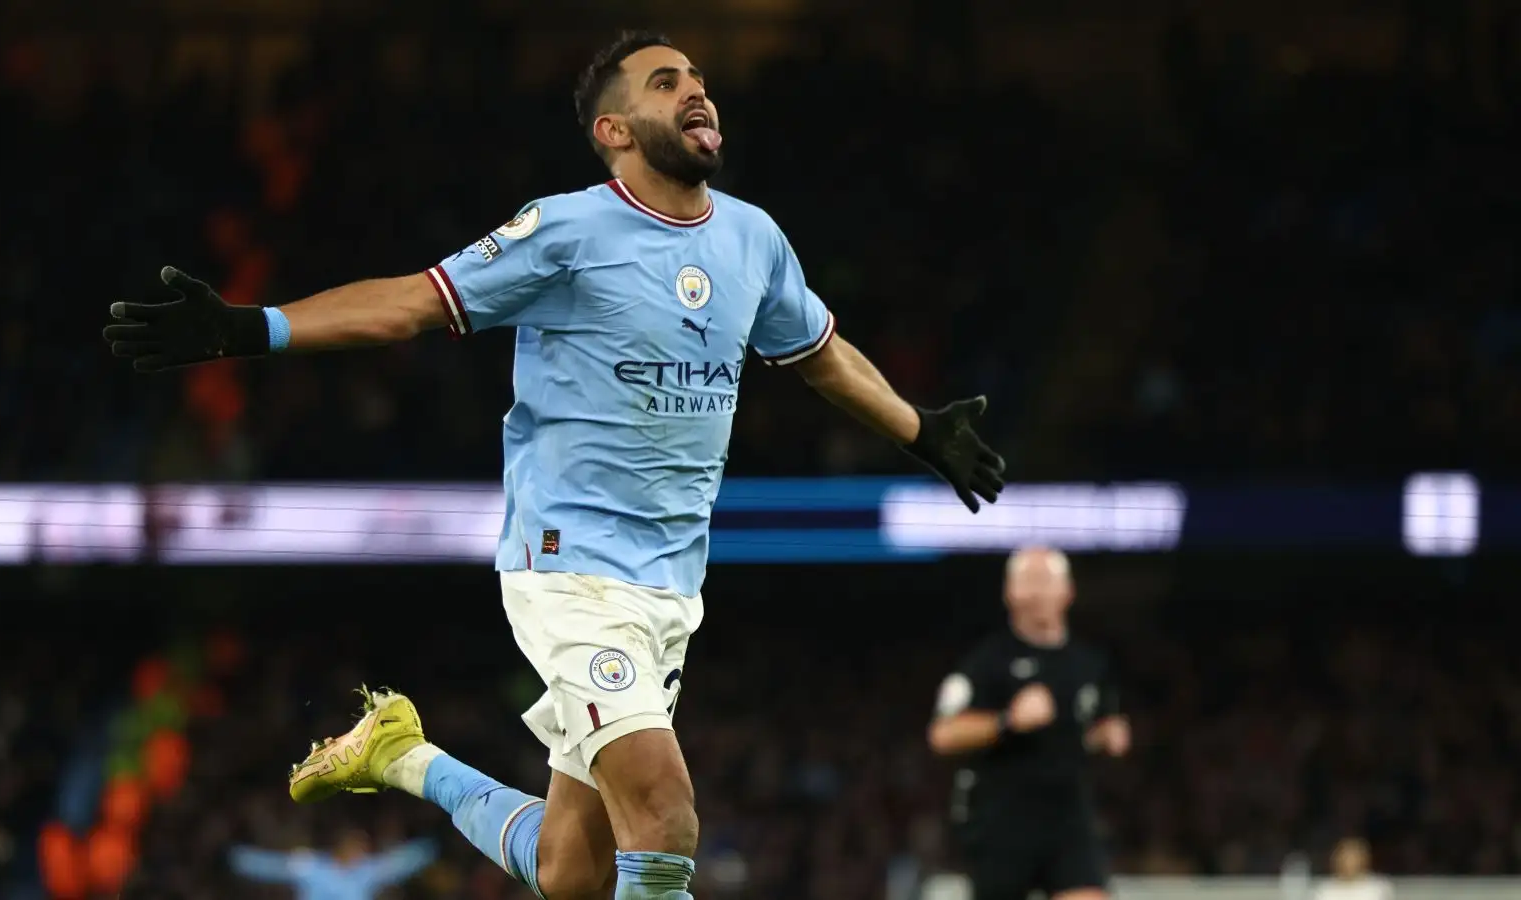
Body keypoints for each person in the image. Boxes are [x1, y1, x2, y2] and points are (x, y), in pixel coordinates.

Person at [104, 29, 1007, 900]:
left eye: (696, 76)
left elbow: (817, 351)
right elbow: (415, 303)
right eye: (664, 82)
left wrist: (919, 431)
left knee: (574, 869)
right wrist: (254, 326)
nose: (695, 88)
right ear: (613, 133)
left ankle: (402, 755)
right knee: (665, 812)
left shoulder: (753, 239)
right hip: (569, 568)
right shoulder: (566, 232)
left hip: (671, 589)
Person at [927, 547, 1127, 900]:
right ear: (1009, 593)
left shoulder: (1090, 664)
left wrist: (1108, 736)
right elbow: (943, 734)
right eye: (1027, 582)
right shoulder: (986, 662)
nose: (1037, 592)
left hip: (1068, 818)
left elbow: (1099, 724)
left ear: (1068, 591)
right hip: (1002, 822)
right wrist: (1007, 720)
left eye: (1046, 580)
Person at [227, 832, 436, 900]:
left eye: (362, 851)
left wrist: (430, 846)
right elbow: (271, 866)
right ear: (342, 849)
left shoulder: (367, 871)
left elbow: (400, 863)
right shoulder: (310, 866)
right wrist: (237, 857)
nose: (360, 855)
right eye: (356, 850)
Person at [1311, 838, 1392, 900]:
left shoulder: (1378, 889)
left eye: (1353, 858)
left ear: (1364, 860)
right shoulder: (1323, 891)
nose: (1348, 864)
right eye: (1344, 858)